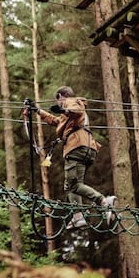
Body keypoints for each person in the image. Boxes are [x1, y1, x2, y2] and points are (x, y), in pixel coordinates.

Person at [37, 86, 117, 229]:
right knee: (74, 185)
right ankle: (78, 217)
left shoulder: (72, 102)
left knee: (71, 185)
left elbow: (75, 111)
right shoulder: (70, 113)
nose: (60, 103)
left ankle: (104, 201)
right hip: (85, 148)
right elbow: (56, 121)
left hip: (76, 147)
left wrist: (64, 109)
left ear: (62, 96)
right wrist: (38, 111)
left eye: (59, 100)